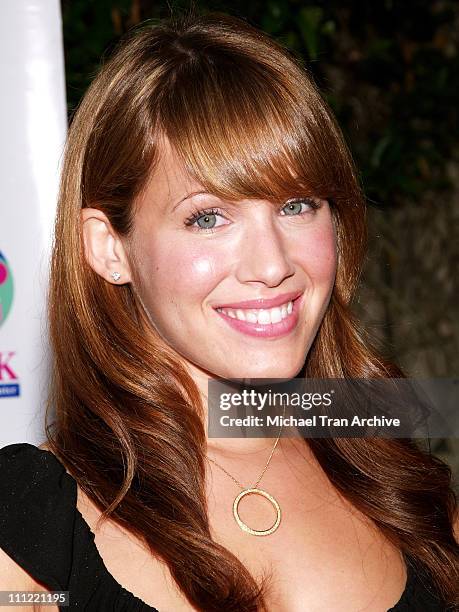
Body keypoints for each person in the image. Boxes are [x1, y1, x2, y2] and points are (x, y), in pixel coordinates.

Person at [0, 11, 458, 612]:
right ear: (110, 248)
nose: (271, 265)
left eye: (297, 205)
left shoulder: (397, 476)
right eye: (208, 217)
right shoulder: (31, 524)